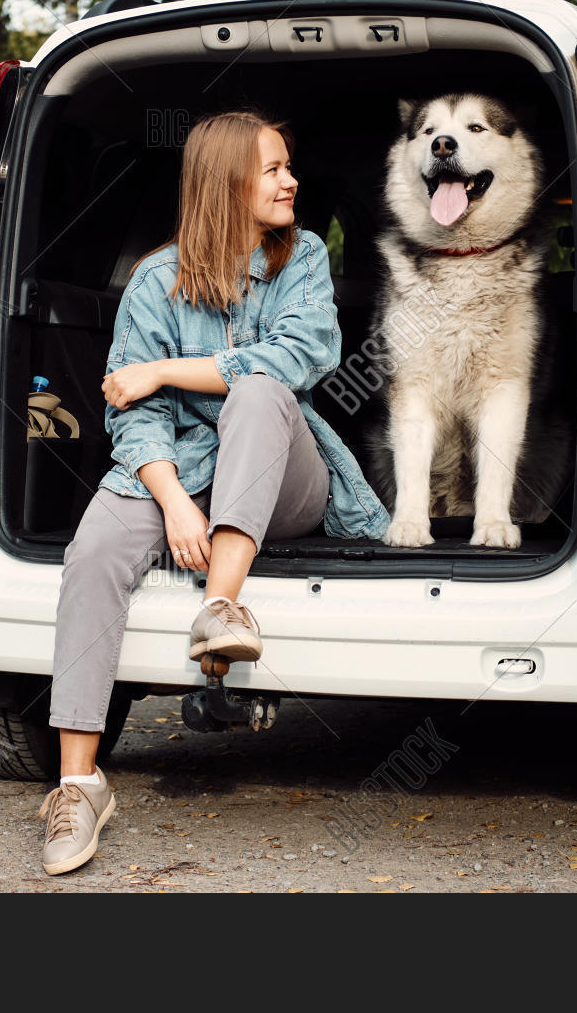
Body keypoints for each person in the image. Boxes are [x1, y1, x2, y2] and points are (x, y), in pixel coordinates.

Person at [36, 109, 391, 875]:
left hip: (286, 479)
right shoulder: (155, 282)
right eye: (273, 169)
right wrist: (172, 502)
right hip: (181, 471)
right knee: (93, 552)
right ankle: (78, 784)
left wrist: (164, 370)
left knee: (259, 390)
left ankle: (220, 606)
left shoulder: (301, 259)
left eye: (288, 166)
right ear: (228, 183)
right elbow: (133, 416)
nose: (291, 181)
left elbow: (298, 356)